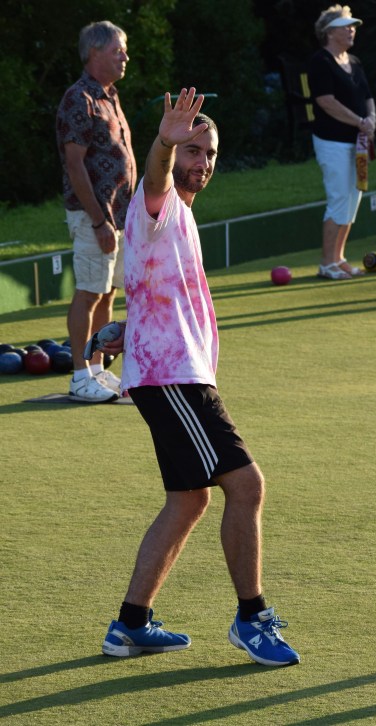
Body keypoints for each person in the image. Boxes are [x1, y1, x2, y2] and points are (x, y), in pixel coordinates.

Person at [99, 89, 300, 667]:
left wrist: (128, 327)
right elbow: (156, 175)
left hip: (170, 372)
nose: (203, 161)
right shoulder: (157, 199)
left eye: (210, 152)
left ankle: (130, 625)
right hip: (174, 378)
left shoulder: (180, 216)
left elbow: (151, 286)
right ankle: (251, 617)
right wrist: (164, 143)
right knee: (247, 485)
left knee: (189, 500)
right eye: (193, 150)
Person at [56, 21, 136, 402]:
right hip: (95, 218)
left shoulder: (110, 96)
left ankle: (98, 370)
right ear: (94, 53)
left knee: (107, 294)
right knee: (89, 292)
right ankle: (79, 376)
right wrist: (100, 220)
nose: (125, 56)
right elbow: (75, 165)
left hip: (117, 218)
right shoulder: (79, 98)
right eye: (117, 50)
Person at [308, 5, 375, 280]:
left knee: (352, 200)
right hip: (332, 142)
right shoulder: (320, 61)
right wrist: (360, 122)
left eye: (352, 26)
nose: (351, 30)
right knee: (338, 199)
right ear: (329, 32)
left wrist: (371, 120)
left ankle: (339, 258)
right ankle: (327, 263)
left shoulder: (354, 61)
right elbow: (326, 102)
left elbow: (368, 97)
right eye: (345, 26)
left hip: (357, 143)